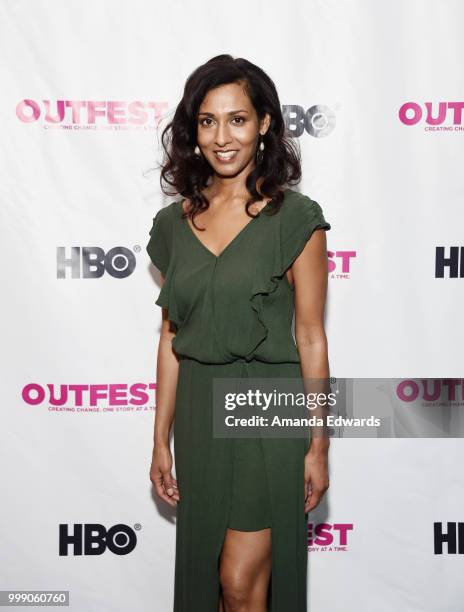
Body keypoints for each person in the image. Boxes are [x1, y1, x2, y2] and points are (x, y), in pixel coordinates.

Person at [147, 54, 331, 612]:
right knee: (212, 583)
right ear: (192, 129)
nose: (222, 137)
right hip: (200, 414)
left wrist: (319, 445)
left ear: (265, 124)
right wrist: (160, 437)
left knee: (239, 582)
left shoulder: (297, 218)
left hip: (266, 408)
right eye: (207, 121)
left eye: (238, 119)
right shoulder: (172, 226)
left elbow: (312, 337)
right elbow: (170, 339)